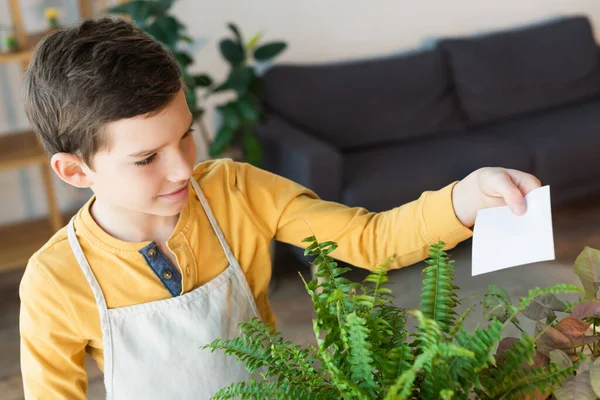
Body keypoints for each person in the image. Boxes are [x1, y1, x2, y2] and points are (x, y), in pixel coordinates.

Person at [18, 15, 541, 400]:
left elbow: (372, 239)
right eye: (147, 158)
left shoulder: (236, 191)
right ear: (75, 171)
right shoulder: (54, 281)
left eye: (186, 136)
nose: (182, 169)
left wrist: (467, 198)